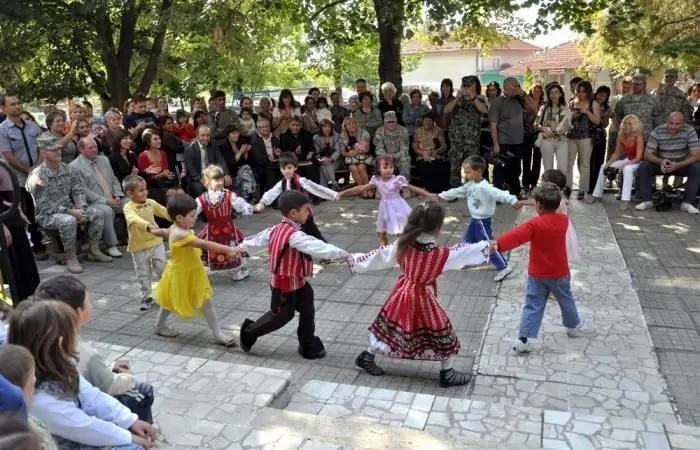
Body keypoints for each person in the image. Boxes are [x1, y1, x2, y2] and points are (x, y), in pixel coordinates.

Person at [349, 201, 491, 387]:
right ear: (438, 227)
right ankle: (446, 373)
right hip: (422, 297)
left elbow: (379, 256)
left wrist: (353, 259)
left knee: (389, 327)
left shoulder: (402, 244)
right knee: (441, 330)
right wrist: (488, 246)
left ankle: (367, 356)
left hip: (402, 292)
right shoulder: (441, 254)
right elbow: (464, 252)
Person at [8, 300, 158, 449]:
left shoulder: (61, 364)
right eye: (73, 331)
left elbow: (92, 396)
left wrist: (130, 420)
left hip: (83, 431)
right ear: (60, 341)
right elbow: (84, 428)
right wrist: (130, 437)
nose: (77, 336)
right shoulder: (41, 397)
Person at [233, 190, 350, 359]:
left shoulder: (276, 229)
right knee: (280, 317)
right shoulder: (294, 235)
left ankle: (307, 342)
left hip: (298, 281)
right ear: (293, 213)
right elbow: (317, 246)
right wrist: (343, 254)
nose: (308, 213)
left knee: (307, 308)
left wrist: (241, 249)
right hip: (283, 284)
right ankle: (249, 333)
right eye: (305, 210)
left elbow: (256, 240)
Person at [34, 276, 155, 424]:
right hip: (85, 411)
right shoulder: (78, 348)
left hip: (60, 409)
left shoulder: (39, 337)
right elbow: (109, 385)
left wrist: (109, 367)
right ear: (77, 313)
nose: (91, 305)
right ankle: (144, 436)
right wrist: (129, 377)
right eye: (88, 301)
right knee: (143, 391)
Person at [494, 183, 585, 354]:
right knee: (566, 299)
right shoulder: (564, 221)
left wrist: (498, 244)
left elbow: (516, 236)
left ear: (539, 206)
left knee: (533, 305)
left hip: (537, 273)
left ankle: (523, 339)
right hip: (560, 273)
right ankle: (572, 326)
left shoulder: (534, 224)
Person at [149, 194, 237, 345]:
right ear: (179, 217)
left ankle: (217, 333)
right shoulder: (180, 233)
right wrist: (227, 249)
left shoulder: (176, 227)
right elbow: (205, 245)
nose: (195, 217)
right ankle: (160, 326)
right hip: (182, 274)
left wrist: (154, 231)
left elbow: (165, 232)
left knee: (202, 301)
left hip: (189, 272)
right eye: (191, 215)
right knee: (170, 301)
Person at [25, 134, 112, 274]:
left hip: (71, 209)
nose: (58, 151)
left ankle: (94, 250)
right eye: (53, 150)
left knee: (96, 213)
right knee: (68, 220)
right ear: (43, 152)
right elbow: (44, 206)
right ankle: (71, 257)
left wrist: (81, 208)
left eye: (59, 148)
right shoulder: (37, 176)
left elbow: (78, 191)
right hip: (47, 215)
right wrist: (72, 212)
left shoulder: (69, 169)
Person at [431, 156, 516, 282]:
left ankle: (504, 266)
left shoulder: (485, 187)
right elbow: (458, 191)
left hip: (482, 221)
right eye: (465, 172)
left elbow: (499, 193)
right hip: (475, 220)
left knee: (487, 245)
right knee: (468, 241)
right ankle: (467, 259)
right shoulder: (470, 184)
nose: (466, 175)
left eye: (468, 172)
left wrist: (513, 200)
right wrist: (441, 195)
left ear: (479, 171)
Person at [339, 155, 430, 246]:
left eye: (391, 167)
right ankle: (383, 251)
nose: (389, 170)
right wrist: (342, 193)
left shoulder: (397, 180)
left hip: (397, 207)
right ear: (379, 169)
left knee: (400, 232)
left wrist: (428, 194)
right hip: (384, 208)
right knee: (382, 233)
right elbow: (362, 188)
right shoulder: (377, 180)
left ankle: (404, 251)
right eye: (385, 167)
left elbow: (412, 188)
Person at [254, 152, 339, 242]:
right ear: (280, 169)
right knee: (297, 238)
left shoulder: (300, 180)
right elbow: (272, 192)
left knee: (315, 235)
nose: (286, 170)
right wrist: (262, 202)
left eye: (289, 168)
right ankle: (304, 255)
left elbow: (316, 188)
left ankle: (329, 253)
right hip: (292, 216)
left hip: (304, 215)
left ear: (295, 167)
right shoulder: (282, 183)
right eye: (284, 168)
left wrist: (333, 194)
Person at [122, 175, 171, 311]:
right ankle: (146, 296)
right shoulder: (128, 207)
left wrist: (176, 217)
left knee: (162, 267)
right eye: (140, 190)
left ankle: (166, 292)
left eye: (145, 189)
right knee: (143, 272)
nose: (145, 192)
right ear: (130, 193)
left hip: (156, 242)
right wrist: (148, 226)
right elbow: (133, 219)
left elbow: (163, 211)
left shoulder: (150, 202)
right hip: (139, 246)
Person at [196, 165, 253, 281]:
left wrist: (247, 208)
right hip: (212, 230)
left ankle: (241, 269)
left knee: (233, 247)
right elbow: (194, 210)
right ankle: (202, 270)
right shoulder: (202, 198)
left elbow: (239, 204)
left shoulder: (228, 195)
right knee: (209, 248)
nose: (220, 182)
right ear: (207, 182)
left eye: (221, 179)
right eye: (216, 180)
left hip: (228, 229)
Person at [635, 112, 700, 213]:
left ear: (683, 124)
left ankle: (687, 203)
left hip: (682, 164)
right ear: (667, 122)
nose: (673, 126)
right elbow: (647, 155)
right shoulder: (658, 131)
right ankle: (646, 200)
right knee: (644, 166)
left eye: (677, 124)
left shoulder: (689, 131)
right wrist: (661, 161)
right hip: (662, 163)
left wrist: (678, 164)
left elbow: (696, 155)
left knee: (697, 167)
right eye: (671, 123)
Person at [516, 169, 579, 265]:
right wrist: (521, 202)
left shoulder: (559, 202)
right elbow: (535, 201)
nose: (540, 185)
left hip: (557, 232)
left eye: (543, 183)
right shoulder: (552, 197)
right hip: (553, 229)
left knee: (556, 255)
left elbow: (553, 222)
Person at [0, 162, 39, 303]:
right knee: (12, 263)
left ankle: (26, 297)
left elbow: (10, 189)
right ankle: (17, 299)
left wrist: (19, 210)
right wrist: (1, 226)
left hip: (12, 213)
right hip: (3, 218)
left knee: (23, 257)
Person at [590, 115, 644, 209]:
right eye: (625, 123)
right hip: (629, 159)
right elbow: (616, 153)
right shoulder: (621, 135)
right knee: (603, 167)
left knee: (627, 169)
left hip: (640, 162)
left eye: (630, 124)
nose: (626, 126)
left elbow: (639, 157)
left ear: (634, 125)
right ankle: (597, 195)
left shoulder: (639, 136)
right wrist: (608, 164)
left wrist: (623, 166)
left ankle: (625, 200)